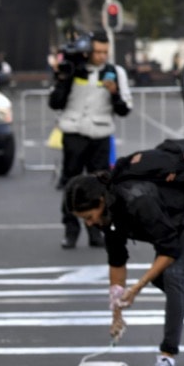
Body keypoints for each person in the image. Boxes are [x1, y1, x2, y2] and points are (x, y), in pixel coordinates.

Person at [66, 141, 184, 366]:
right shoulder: (109, 218)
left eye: (89, 217)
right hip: (173, 224)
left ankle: (167, 358)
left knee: (173, 276)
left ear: (101, 201)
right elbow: (117, 263)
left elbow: (169, 249)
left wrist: (137, 288)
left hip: (181, 220)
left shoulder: (137, 200)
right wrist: (117, 312)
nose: (89, 224)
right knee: (166, 280)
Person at [48, 29, 131, 249]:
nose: (102, 56)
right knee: (70, 184)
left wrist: (114, 93)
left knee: (100, 185)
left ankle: (96, 231)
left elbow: (125, 109)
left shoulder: (115, 72)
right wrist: (63, 78)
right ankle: (70, 230)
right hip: (74, 133)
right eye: (97, 51)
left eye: (105, 52)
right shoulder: (73, 69)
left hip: (100, 135)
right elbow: (55, 102)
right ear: (87, 51)